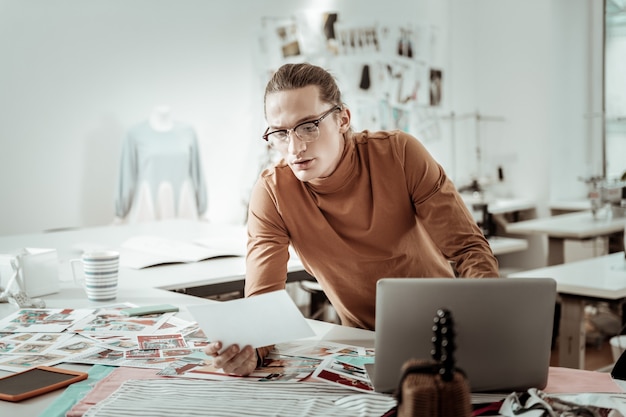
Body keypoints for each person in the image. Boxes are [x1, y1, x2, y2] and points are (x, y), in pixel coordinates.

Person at [205, 62, 499, 376]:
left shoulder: (400, 154)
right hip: (364, 344)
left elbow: (469, 250)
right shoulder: (273, 192)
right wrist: (252, 349)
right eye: (280, 133)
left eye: (308, 126)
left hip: (448, 336)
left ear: (343, 119)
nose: (295, 148)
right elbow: (263, 303)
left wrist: (481, 323)